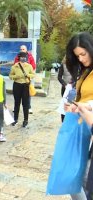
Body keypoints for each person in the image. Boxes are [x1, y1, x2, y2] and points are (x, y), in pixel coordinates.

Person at [64, 32, 93, 200]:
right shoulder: (86, 71)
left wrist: (87, 106)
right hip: (83, 129)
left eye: (83, 54)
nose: (81, 59)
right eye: (77, 56)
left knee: (83, 181)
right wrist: (75, 106)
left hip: (89, 129)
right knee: (77, 180)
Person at [9, 52, 35, 128]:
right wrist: (16, 76)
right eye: (22, 57)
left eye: (25, 57)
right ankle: (15, 119)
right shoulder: (15, 66)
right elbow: (10, 76)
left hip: (25, 86)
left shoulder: (29, 66)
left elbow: (33, 75)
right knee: (17, 103)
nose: (23, 58)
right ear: (19, 58)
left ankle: (25, 120)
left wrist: (28, 75)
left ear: (26, 58)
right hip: (17, 85)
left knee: (25, 104)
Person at [14, 45, 36, 114]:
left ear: (26, 50)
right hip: (19, 80)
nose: (22, 50)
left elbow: (33, 66)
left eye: (23, 49)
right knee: (17, 95)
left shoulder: (30, 57)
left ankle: (29, 107)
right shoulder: (17, 57)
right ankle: (16, 108)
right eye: (20, 49)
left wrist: (27, 67)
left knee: (27, 94)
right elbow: (14, 66)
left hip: (27, 79)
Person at [57, 56, 72, 122]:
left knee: (72, 104)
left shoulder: (78, 65)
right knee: (64, 104)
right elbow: (59, 77)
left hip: (74, 88)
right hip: (65, 88)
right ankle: (63, 120)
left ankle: (70, 120)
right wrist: (64, 84)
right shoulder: (63, 65)